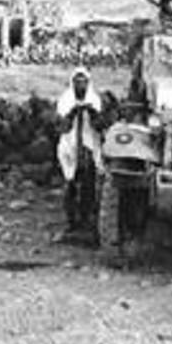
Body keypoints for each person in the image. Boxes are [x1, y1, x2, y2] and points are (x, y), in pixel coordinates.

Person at [56, 67, 104, 233]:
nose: (80, 85)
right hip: (70, 147)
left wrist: (92, 112)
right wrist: (72, 113)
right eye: (77, 82)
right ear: (73, 83)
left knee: (88, 186)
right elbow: (63, 127)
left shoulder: (94, 99)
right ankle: (71, 221)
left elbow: (100, 126)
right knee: (70, 184)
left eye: (84, 82)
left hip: (89, 148)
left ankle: (86, 219)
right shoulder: (65, 100)